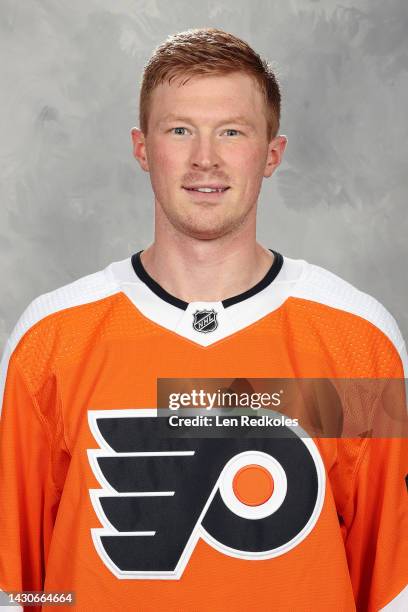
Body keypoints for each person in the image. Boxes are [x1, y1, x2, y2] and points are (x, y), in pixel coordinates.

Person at [0, 27, 406, 612]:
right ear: (143, 148)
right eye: (180, 129)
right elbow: (19, 586)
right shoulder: (51, 339)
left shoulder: (359, 340)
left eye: (232, 132)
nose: (205, 158)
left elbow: (390, 586)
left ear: (271, 154)